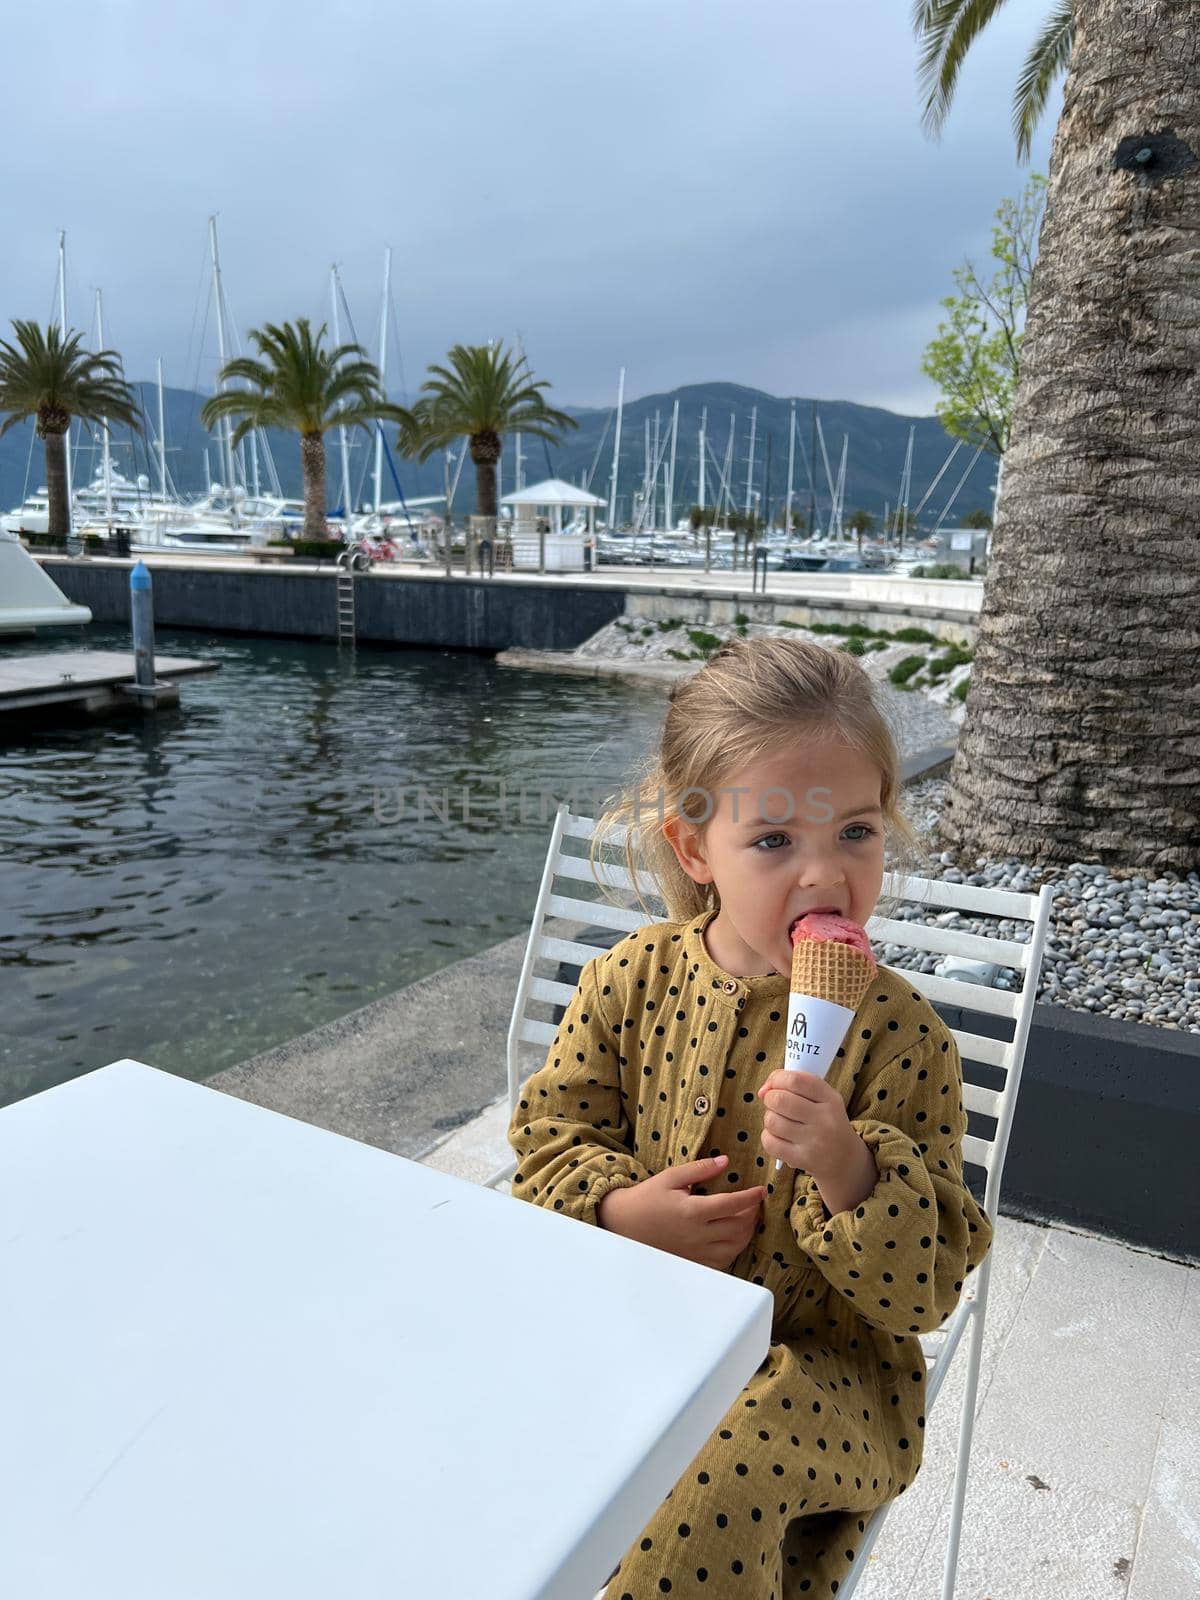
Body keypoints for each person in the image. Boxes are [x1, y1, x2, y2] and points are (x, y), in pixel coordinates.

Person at [507, 635, 994, 1599]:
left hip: (820, 1366)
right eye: (774, 841)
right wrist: (616, 1214)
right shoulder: (627, 982)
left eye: (854, 832)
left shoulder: (905, 1042)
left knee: (712, 1481)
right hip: (636, 1315)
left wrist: (851, 1169)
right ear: (696, 848)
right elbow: (547, 1143)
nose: (824, 876)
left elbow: (922, 1296)